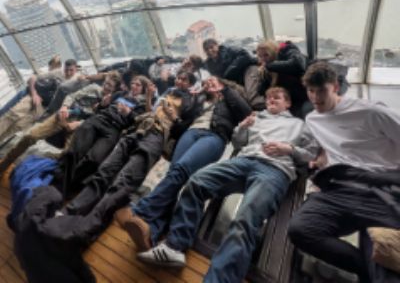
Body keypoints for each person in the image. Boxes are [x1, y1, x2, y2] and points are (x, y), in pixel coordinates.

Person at [134, 87, 318, 283]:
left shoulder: (299, 125)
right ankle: (174, 247)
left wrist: (289, 148)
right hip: (243, 161)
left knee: (245, 219)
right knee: (197, 182)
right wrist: (243, 127)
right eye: (268, 97)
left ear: (287, 103)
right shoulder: (257, 118)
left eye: (277, 97)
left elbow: (312, 155)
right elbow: (238, 143)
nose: (271, 100)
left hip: (274, 169)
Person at [39, 71, 199, 245]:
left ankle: (87, 227)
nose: (179, 81)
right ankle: (69, 211)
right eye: (178, 78)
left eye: (184, 79)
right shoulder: (166, 94)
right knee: (103, 173)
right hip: (136, 131)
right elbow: (147, 113)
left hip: (156, 137)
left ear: (191, 85)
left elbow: (183, 131)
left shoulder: (191, 102)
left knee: (122, 183)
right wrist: (148, 100)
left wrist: (173, 116)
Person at [287, 62, 400, 283]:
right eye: (311, 91)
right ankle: (364, 268)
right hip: (341, 189)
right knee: (301, 230)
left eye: (322, 91)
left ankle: (372, 271)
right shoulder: (313, 119)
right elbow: (332, 149)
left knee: (384, 263)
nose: (316, 98)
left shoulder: (372, 112)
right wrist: (320, 169)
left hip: (379, 190)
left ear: (336, 87)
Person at [115, 76, 252, 250]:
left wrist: (223, 89)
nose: (209, 84)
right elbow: (184, 118)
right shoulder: (202, 98)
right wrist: (194, 97)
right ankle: (152, 233)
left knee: (181, 170)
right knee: (174, 176)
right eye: (208, 83)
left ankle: (139, 211)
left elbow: (246, 112)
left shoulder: (232, 100)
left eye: (214, 83)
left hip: (214, 136)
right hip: (190, 133)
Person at [0, 71, 122, 176]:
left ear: (115, 89)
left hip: (78, 129)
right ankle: (4, 165)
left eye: (110, 85)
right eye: (106, 83)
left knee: (66, 156)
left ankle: (31, 168)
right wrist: (64, 107)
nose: (106, 86)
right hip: (63, 116)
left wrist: (79, 124)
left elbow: (97, 120)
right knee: (30, 137)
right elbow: (72, 96)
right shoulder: (94, 88)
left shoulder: (111, 105)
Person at [54, 75, 152, 197]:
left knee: (94, 160)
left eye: (138, 85)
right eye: (133, 83)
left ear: (143, 89)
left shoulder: (142, 105)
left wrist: (128, 113)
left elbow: (138, 122)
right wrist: (103, 104)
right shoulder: (120, 94)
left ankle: (70, 185)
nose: (134, 86)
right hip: (99, 120)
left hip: (114, 129)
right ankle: (59, 187)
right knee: (74, 153)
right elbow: (99, 108)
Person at [0, 59, 79, 144]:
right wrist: (34, 95)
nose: (68, 73)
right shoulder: (57, 73)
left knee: (19, 126)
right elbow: (33, 78)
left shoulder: (77, 82)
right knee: (12, 115)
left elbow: (72, 99)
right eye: (66, 70)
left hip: (44, 108)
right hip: (35, 98)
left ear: (76, 69)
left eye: (71, 70)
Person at [256, 40, 308, 117]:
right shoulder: (265, 70)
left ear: (273, 53)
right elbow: (261, 91)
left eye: (266, 55)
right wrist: (264, 77)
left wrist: (269, 66)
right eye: (260, 56)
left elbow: (298, 64)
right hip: (282, 103)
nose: (263, 59)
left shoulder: (287, 51)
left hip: (299, 99)